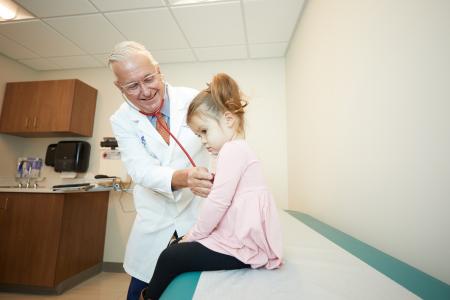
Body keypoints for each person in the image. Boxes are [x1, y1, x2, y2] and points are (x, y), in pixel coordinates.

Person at [140, 73, 283, 300]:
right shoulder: (238, 149)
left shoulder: (231, 150)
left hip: (242, 245)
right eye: (198, 135)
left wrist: (194, 235)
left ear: (228, 119)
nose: (203, 140)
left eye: (204, 132)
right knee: (176, 247)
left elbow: (218, 203)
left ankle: (148, 297)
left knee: (171, 256)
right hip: (240, 237)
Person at [108, 41, 214, 300]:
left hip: (196, 213)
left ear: (159, 70)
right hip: (155, 220)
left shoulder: (193, 100)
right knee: (140, 291)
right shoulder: (121, 120)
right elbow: (140, 170)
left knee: (193, 290)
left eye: (148, 78)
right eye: (132, 86)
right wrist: (184, 177)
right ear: (118, 87)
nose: (145, 91)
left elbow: (222, 139)